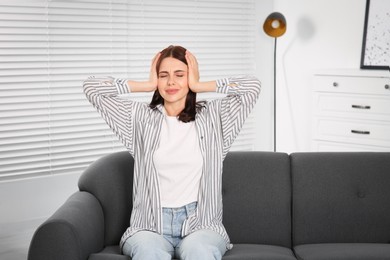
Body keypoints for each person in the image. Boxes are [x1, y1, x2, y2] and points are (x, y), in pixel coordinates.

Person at [83, 45, 261, 260]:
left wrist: (199, 85)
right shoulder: (139, 118)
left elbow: (252, 86)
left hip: (201, 225)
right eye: (163, 75)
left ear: (191, 76)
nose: (171, 82)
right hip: (150, 226)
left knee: (199, 252)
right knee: (148, 253)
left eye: (180, 75)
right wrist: (146, 85)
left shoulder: (215, 117)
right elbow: (91, 87)